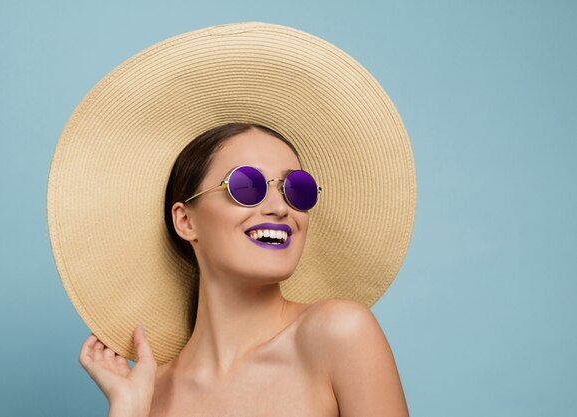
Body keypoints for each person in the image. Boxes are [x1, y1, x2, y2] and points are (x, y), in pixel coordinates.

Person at [48, 22, 416, 417]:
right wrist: (128, 409)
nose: (280, 207)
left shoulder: (339, 333)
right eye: (246, 186)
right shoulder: (152, 395)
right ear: (185, 220)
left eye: (298, 189)